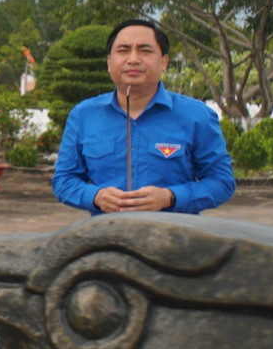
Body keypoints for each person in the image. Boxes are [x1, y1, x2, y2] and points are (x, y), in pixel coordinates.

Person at [53, 19, 234, 214]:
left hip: (173, 239)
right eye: (123, 51)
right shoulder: (83, 115)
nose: (133, 59)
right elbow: (63, 180)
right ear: (108, 62)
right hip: (107, 238)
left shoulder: (197, 116)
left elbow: (222, 181)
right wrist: (96, 196)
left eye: (145, 51)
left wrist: (170, 197)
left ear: (164, 61)